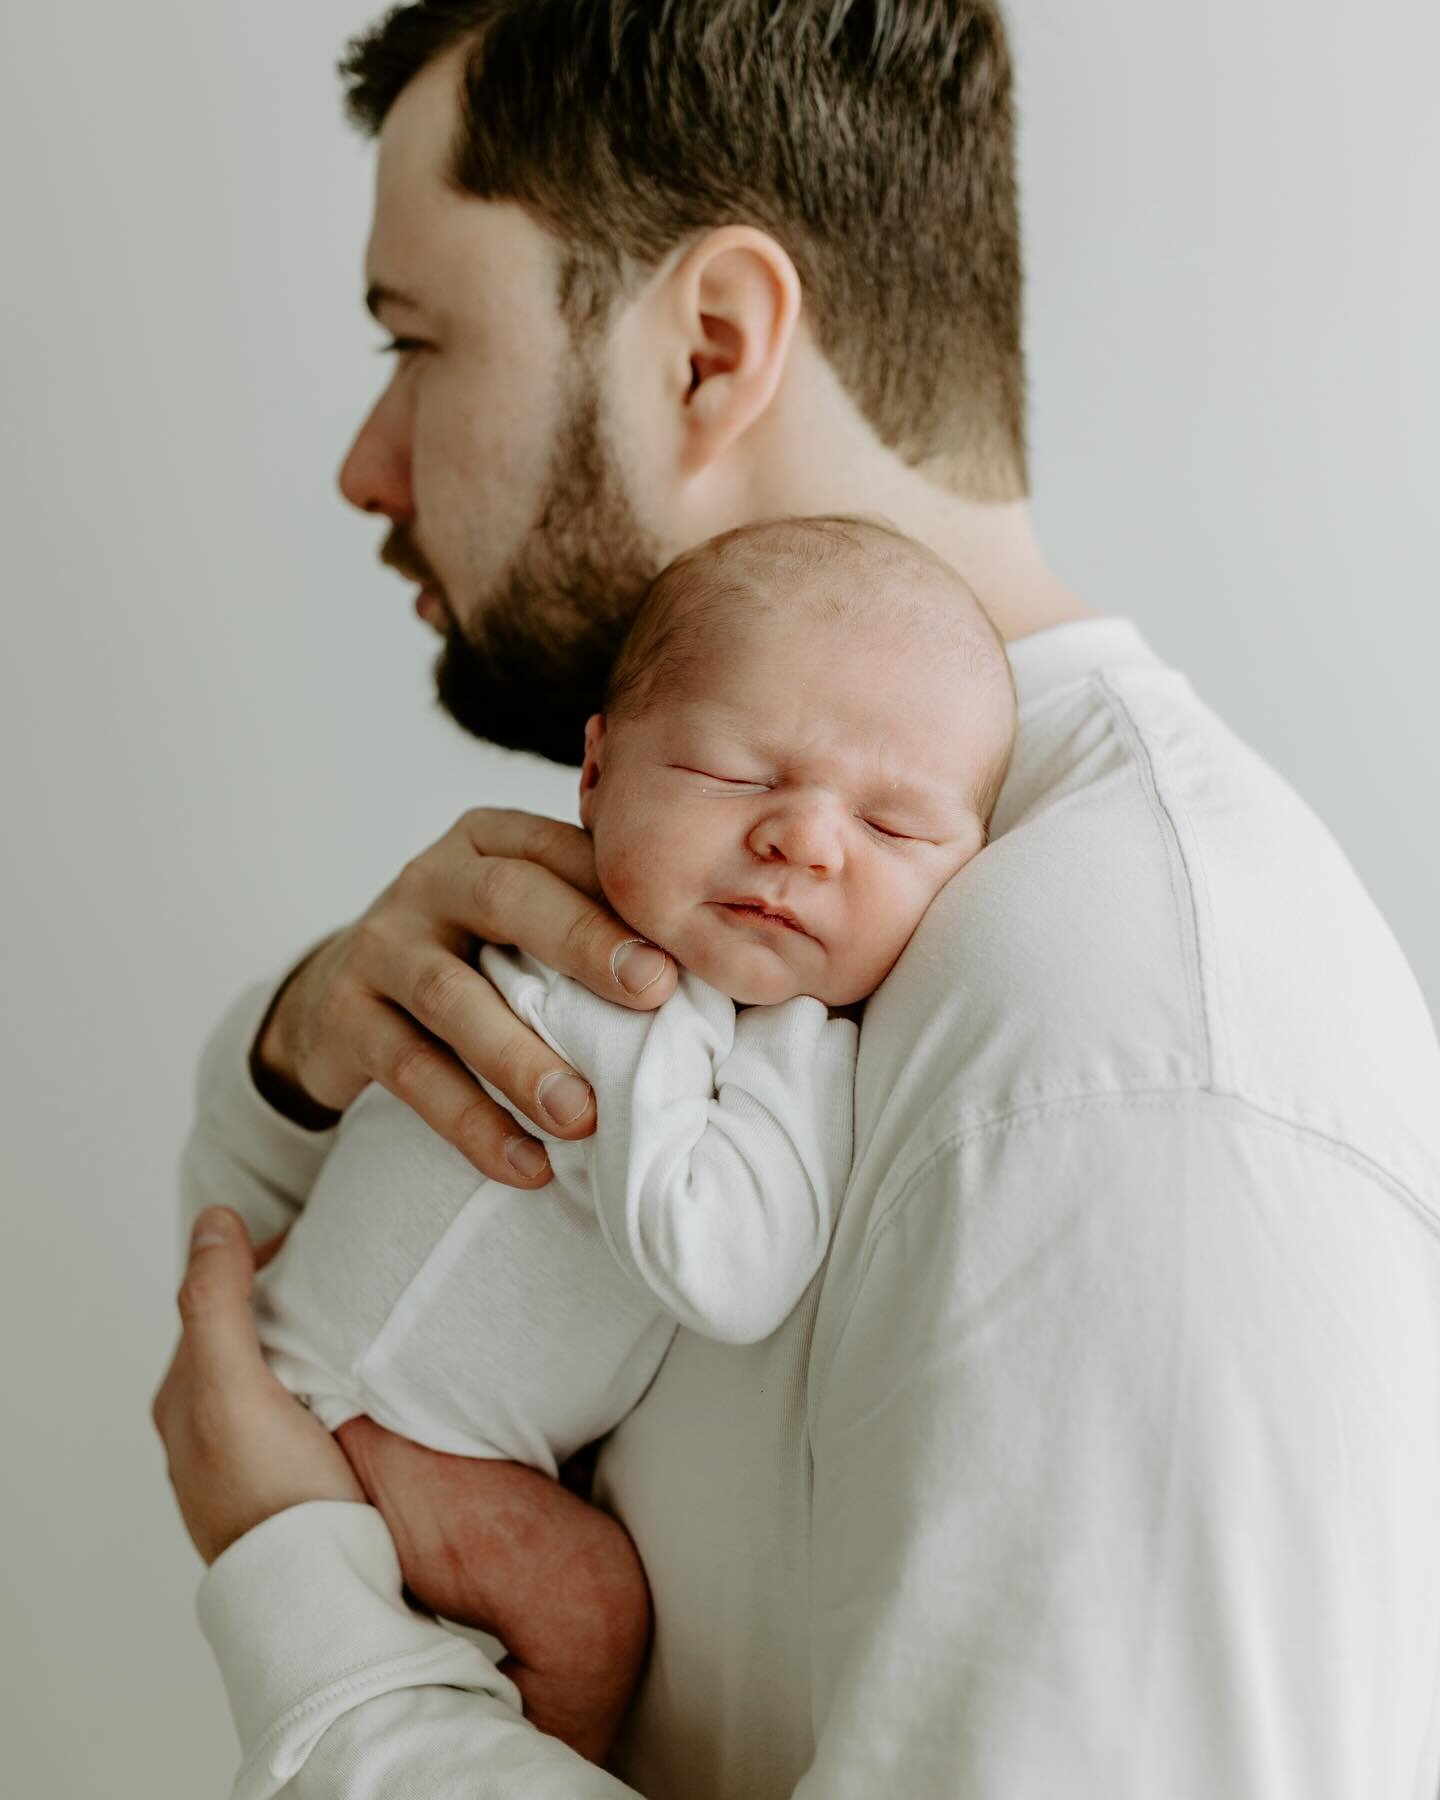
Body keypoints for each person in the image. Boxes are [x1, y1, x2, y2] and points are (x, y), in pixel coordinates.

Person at [152, 4, 1440, 1796]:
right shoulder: (758, 926)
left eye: (419, 340)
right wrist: (306, 1044)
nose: (369, 464)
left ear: (710, 348)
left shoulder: (1131, 1049)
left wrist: (324, 1636)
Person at [247, 514, 1017, 1763]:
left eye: (894, 831)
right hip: (348, 1414)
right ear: (597, 770)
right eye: (733, 774)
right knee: (591, 1605)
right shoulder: (615, 992)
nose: (806, 840)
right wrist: (810, 1054)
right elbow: (724, 1267)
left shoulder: (701, 1001)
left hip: (396, 1399)